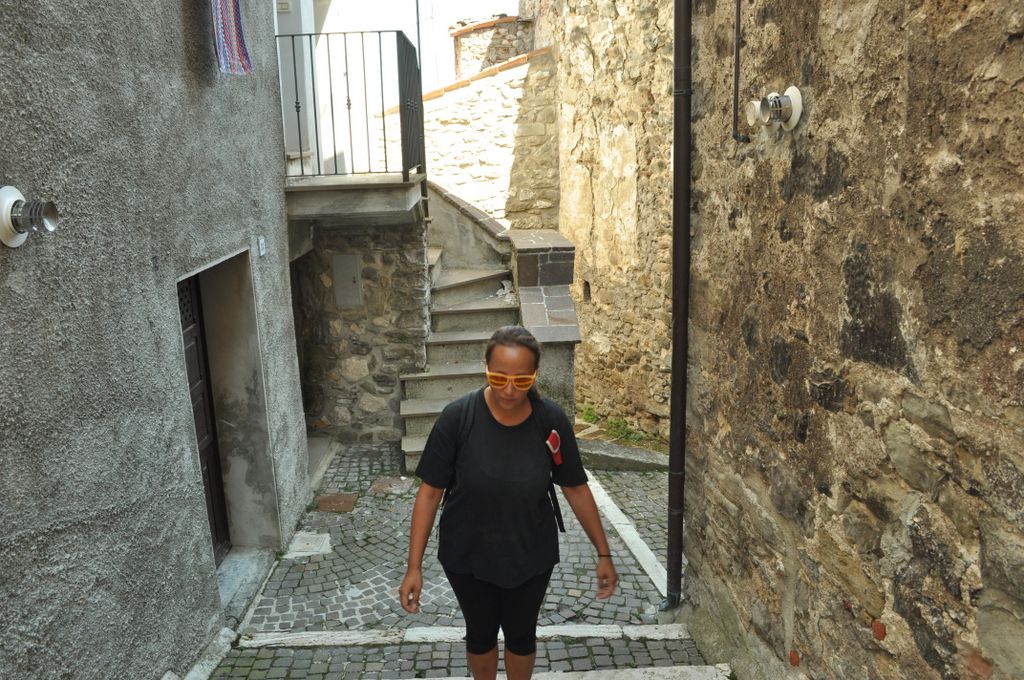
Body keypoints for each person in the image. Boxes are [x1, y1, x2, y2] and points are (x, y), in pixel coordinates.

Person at [399, 325, 618, 680]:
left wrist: (604, 554)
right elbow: (430, 493)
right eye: (498, 377)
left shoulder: (551, 421)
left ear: (535, 374)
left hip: (531, 552)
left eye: (522, 379)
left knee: (521, 633)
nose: (510, 389)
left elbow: (575, 488)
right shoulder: (457, 418)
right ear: (486, 368)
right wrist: (414, 567)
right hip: (467, 553)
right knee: (480, 632)